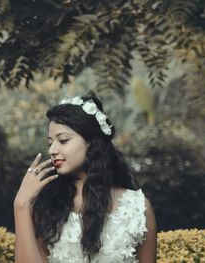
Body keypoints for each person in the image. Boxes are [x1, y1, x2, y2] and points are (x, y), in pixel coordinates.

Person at [14, 95, 157, 263]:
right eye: (50, 143)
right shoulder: (47, 206)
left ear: (90, 141)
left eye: (63, 140)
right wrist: (21, 205)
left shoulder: (137, 207)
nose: (52, 150)